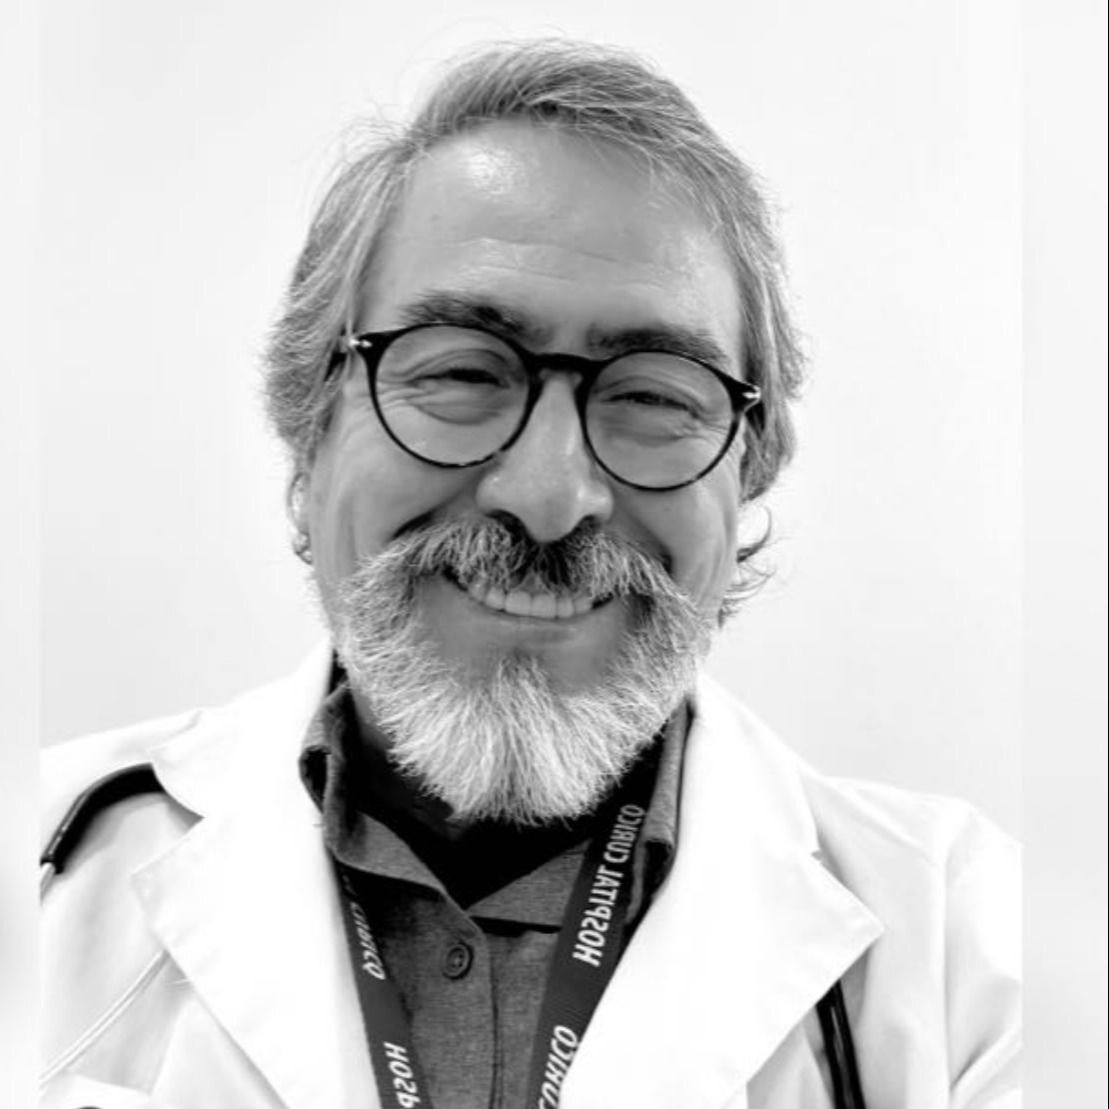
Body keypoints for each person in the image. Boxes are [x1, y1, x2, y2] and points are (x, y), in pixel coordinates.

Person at [39, 39, 1020, 1109]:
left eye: (653, 396)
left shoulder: (969, 947)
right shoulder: (44, 868)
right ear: (306, 434)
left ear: (747, 471)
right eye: (461, 371)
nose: (549, 496)